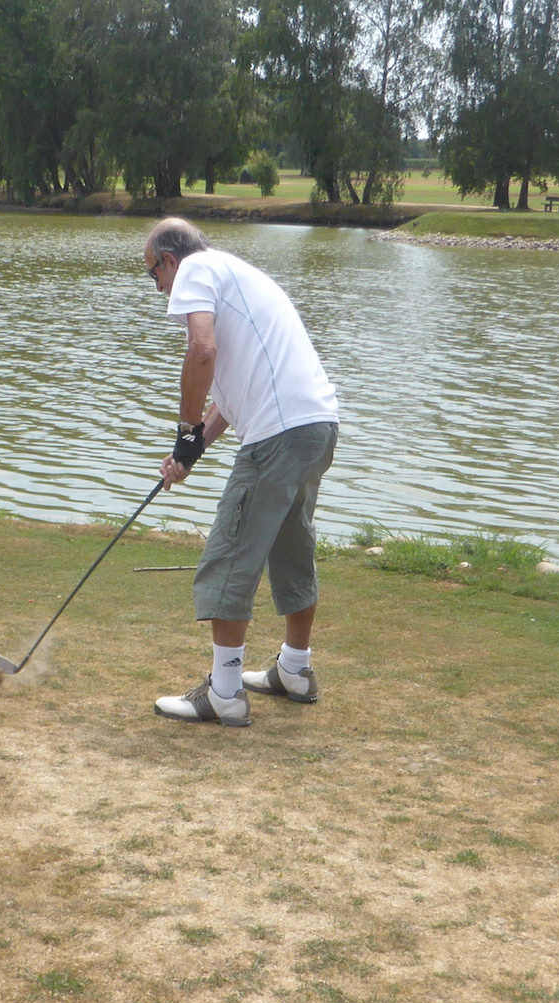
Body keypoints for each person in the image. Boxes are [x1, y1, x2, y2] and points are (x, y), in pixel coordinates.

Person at [141, 217, 341, 727]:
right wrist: (189, 453)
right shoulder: (234, 276)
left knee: (229, 552)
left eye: (151, 274)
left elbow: (201, 350)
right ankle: (295, 670)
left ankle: (225, 693)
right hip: (315, 427)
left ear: (169, 259)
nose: (159, 287)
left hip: (277, 436)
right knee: (290, 545)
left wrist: (183, 430)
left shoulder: (196, 270)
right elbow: (227, 404)